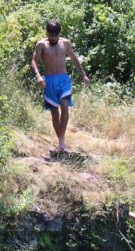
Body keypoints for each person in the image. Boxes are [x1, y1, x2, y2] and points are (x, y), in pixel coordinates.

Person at [31, 20, 90, 154]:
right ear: (47, 33)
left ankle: (61, 141)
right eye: (51, 35)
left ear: (59, 34)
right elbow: (34, 61)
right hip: (49, 81)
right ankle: (61, 142)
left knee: (64, 105)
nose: (53, 38)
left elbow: (74, 59)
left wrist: (84, 75)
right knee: (54, 112)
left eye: (55, 36)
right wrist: (38, 76)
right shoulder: (41, 44)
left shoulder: (65, 43)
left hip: (63, 79)